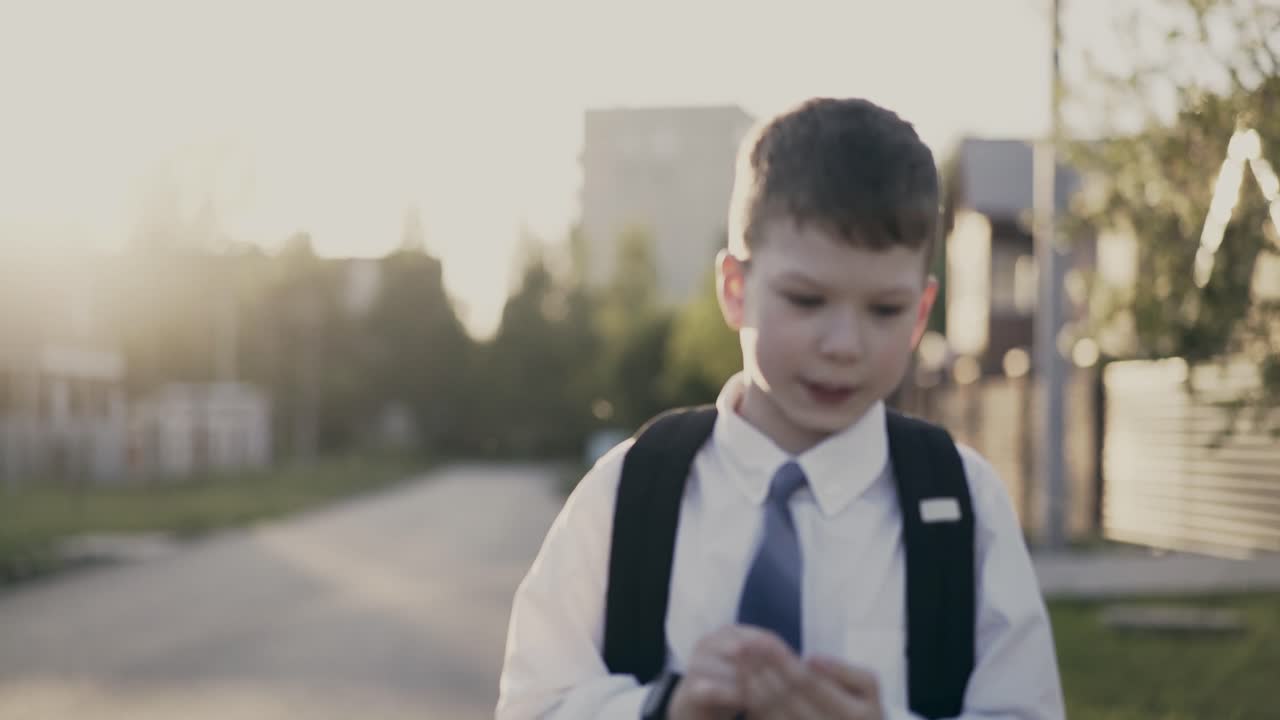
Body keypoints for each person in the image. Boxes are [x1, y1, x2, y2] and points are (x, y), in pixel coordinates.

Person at [496, 97, 1065, 720]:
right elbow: (534, 704)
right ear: (736, 290)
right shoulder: (630, 493)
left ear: (921, 314)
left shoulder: (962, 506)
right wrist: (667, 707)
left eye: (884, 310)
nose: (844, 344)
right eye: (806, 299)